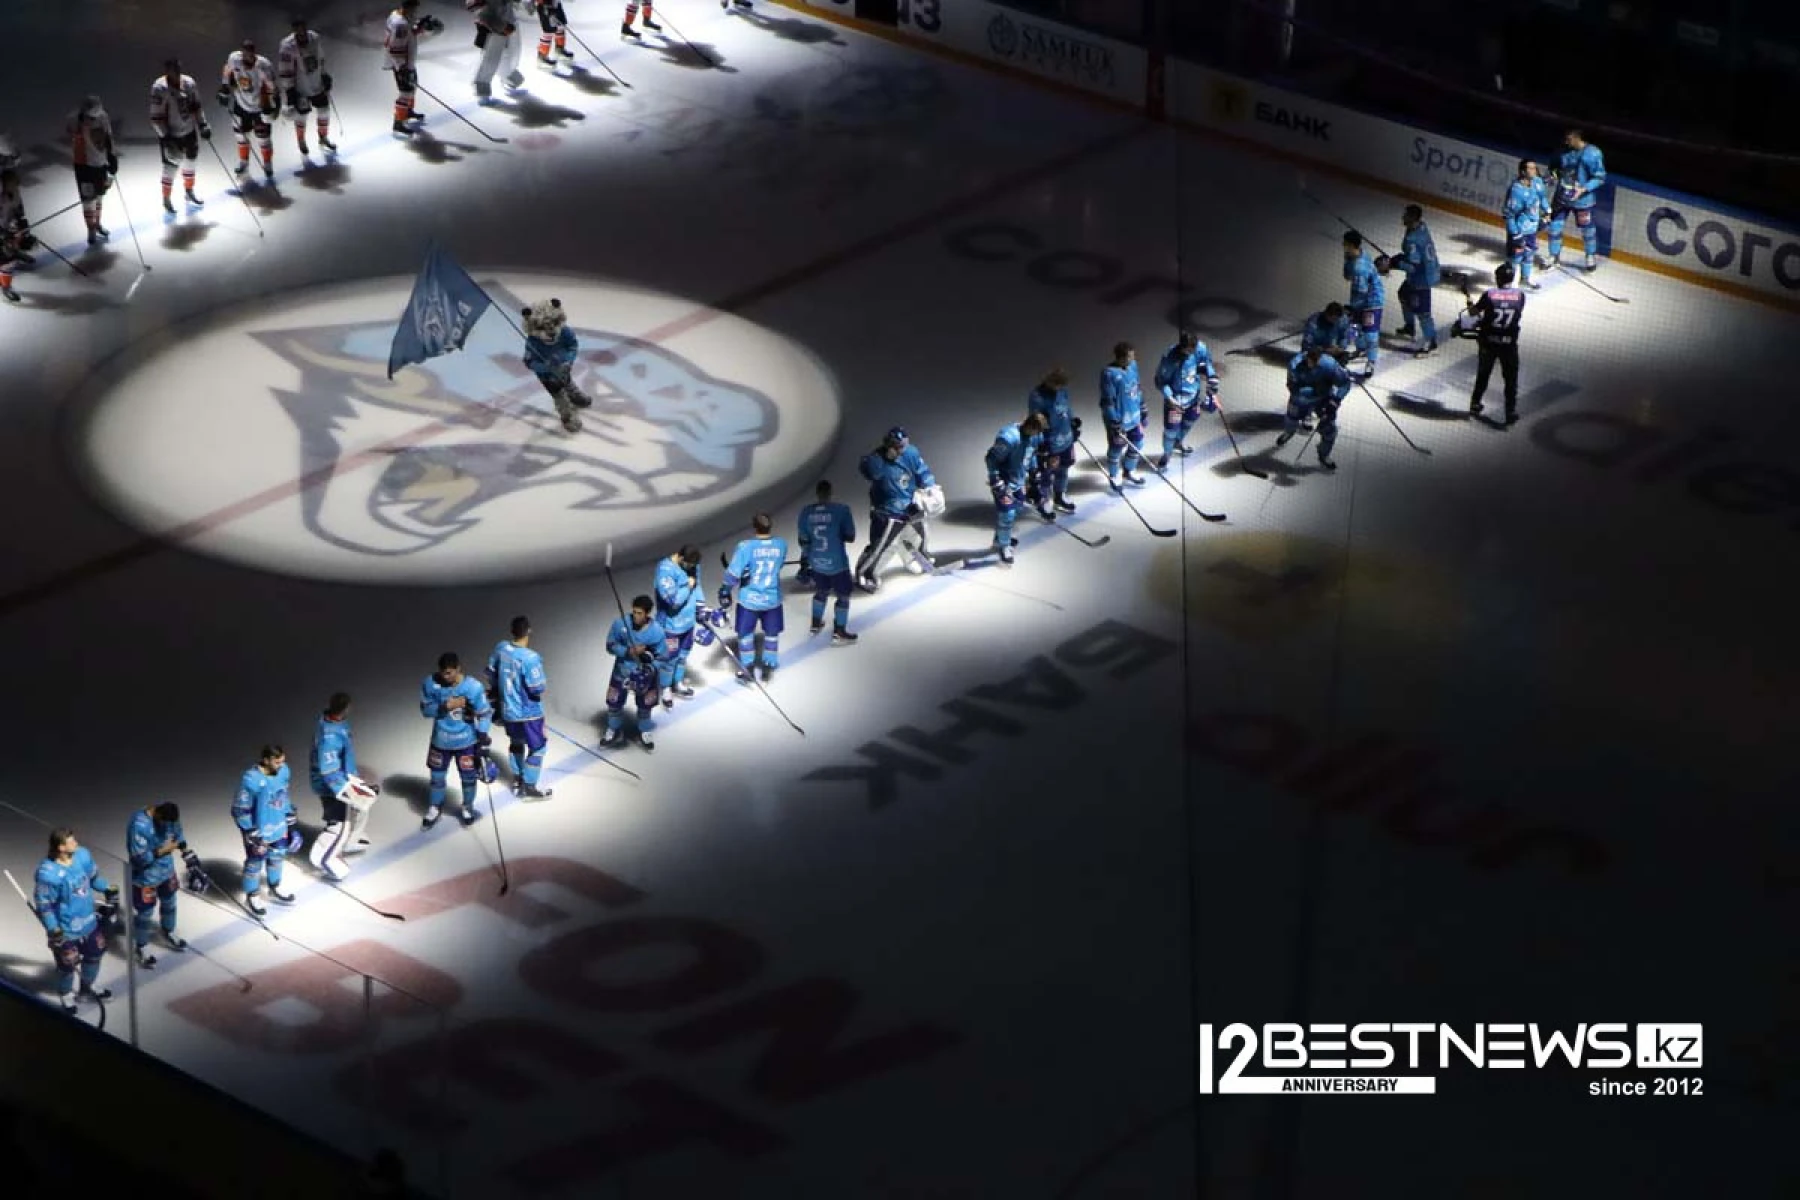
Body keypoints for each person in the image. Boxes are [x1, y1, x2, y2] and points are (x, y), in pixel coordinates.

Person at [33, 829, 119, 1013]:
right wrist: (53, 928)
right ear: (61, 847)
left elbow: (94, 878)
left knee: (94, 956)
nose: (76, 843)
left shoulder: (82, 855)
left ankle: (87, 988)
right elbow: (45, 905)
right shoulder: (48, 873)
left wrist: (107, 888)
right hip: (66, 931)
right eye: (71, 841)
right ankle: (66, 993)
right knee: (67, 966)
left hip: (89, 923)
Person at [854, 427, 939, 591]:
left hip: (911, 506)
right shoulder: (876, 462)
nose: (902, 450)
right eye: (898, 447)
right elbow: (867, 469)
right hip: (887, 512)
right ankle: (866, 573)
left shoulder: (911, 453)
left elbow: (922, 471)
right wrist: (879, 459)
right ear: (889, 446)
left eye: (904, 446)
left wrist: (931, 488)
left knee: (919, 535)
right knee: (883, 546)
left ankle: (915, 558)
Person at [419, 652, 495, 827]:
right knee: (437, 777)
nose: (445, 677)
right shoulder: (430, 683)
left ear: (458, 668)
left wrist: (482, 736)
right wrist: (445, 706)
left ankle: (467, 807)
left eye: (449, 673)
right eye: (443, 673)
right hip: (441, 741)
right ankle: (435, 807)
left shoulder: (473, 687)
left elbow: (485, 713)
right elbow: (425, 711)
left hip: (466, 742)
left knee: (468, 778)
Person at [309, 692, 379, 880]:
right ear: (346, 708)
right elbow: (329, 772)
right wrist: (350, 792)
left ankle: (349, 842)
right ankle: (326, 859)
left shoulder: (336, 723)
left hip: (345, 776)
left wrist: (356, 783)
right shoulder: (329, 738)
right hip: (332, 786)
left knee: (362, 809)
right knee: (340, 824)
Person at [487, 617, 553, 798]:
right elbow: (537, 687)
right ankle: (529, 785)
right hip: (529, 714)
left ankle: (517, 779)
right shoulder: (530, 658)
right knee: (538, 748)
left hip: (508, 711)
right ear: (529, 631)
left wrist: (498, 691)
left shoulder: (501, 648)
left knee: (516, 743)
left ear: (512, 631)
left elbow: (490, 672)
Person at [721, 513, 789, 682]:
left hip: (749, 600)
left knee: (745, 634)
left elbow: (732, 575)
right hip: (772, 599)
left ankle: (747, 668)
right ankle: (769, 665)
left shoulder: (745, 546)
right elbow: (779, 565)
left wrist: (725, 590)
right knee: (772, 633)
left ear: (754, 527)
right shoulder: (781, 544)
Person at [1457, 261, 1527, 425]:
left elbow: (1474, 312)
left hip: (1489, 342)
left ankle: (1475, 403)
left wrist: (1469, 300)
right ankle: (1510, 410)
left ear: (1498, 278)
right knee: (1511, 379)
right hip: (1509, 344)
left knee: (1483, 374)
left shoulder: (1489, 294)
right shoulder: (1520, 295)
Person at [234, 745, 298, 915]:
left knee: (277, 857)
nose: (281, 765)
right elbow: (240, 808)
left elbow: (284, 796)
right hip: (259, 831)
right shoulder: (251, 779)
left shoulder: (284, 771)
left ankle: (275, 886)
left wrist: (290, 820)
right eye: (277, 762)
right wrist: (250, 830)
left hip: (279, 826)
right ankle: (252, 894)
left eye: (282, 761)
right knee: (255, 862)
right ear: (266, 760)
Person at [125, 802, 188, 967]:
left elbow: (178, 835)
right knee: (145, 913)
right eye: (164, 823)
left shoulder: (170, 818)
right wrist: (164, 850)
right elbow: (139, 858)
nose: (167, 826)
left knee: (170, 902)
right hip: (145, 878)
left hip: (167, 871)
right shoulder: (139, 825)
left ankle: (169, 930)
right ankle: (141, 946)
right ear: (158, 815)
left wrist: (186, 852)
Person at [796, 480, 858, 643]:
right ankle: (839, 631)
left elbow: (803, 540)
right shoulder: (842, 510)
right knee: (843, 596)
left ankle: (815, 624)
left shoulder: (806, 512)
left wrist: (807, 560)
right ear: (830, 492)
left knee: (821, 591)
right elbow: (850, 536)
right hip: (837, 563)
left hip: (816, 562)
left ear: (817, 493)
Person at [603, 596, 667, 750]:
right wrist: (627, 651)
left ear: (647, 614)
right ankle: (613, 728)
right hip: (622, 671)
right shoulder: (620, 624)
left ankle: (645, 730)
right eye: (634, 612)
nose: (635, 616)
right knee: (614, 703)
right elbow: (610, 645)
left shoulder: (657, 632)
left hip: (645, 675)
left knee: (645, 705)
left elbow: (663, 656)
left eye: (639, 613)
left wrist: (651, 668)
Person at [985, 411, 1049, 565]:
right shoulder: (1008, 438)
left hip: (1018, 480)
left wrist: (1034, 472)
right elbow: (991, 458)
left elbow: (1031, 454)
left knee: (1016, 510)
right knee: (1007, 515)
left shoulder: (1035, 437)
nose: (1038, 435)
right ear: (1031, 427)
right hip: (1005, 482)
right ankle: (1004, 546)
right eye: (1037, 431)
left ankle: (1000, 537)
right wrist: (995, 480)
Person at [1276, 345, 1353, 471]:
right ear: (1306, 357)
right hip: (1300, 399)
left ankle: (1324, 454)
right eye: (1310, 360)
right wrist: (1312, 391)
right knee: (1291, 419)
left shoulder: (1329, 364)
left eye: (1316, 360)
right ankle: (1289, 432)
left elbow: (1345, 384)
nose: (1313, 364)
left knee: (1330, 430)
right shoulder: (1294, 365)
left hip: (1323, 400)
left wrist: (1335, 401)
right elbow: (1293, 387)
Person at [521, 298, 592, 434]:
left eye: (554, 324)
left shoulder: (565, 332)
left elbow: (573, 346)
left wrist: (568, 361)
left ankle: (575, 396)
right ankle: (567, 417)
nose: (551, 331)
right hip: (547, 377)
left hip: (563, 367)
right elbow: (529, 362)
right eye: (542, 328)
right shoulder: (533, 342)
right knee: (559, 396)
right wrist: (545, 367)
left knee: (569, 383)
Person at [149, 59, 210, 214]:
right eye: (173, 71)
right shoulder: (159, 88)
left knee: (191, 161)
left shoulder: (189, 83)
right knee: (170, 167)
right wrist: (166, 137)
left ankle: (189, 191)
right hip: (171, 135)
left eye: (177, 70)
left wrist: (202, 124)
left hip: (189, 130)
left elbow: (197, 105)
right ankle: (166, 198)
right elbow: (155, 117)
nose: (176, 74)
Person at [1153, 330, 1219, 469]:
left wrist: (1212, 380)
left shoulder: (1200, 348)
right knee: (1171, 430)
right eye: (1187, 350)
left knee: (1189, 422)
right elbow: (1160, 381)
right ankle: (1167, 454)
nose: (1190, 353)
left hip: (1193, 397)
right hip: (1176, 402)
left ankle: (1178, 442)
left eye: (1192, 350)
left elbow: (1206, 364)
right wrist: (1170, 398)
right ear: (1181, 347)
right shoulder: (1170, 358)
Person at [217, 40, 278, 184]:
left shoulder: (264, 66)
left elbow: (273, 88)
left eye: (250, 54)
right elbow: (227, 70)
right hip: (241, 104)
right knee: (241, 135)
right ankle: (244, 162)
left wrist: (274, 106)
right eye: (245, 54)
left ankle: (268, 163)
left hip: (259, 106)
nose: (247, 57)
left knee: (263, 138)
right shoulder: (234, 58)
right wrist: (224, 87)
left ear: (254, 54)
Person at [1547, 128, 1607, 272]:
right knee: (1554, 227)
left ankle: (1590, 255)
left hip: (1582, 200)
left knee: (1587, 230)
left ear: (1577, 137)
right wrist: (1551, 177)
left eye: (1569, 139)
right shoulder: (1561, 152)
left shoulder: (1592, 153)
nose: (1566, 142)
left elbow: (1600, 177)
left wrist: (1584, 188)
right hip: (1561, 198)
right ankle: (1553, 256)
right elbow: (1554, 170)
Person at [277, 17, 336, 161]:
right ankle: (301, 141)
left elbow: (320, 58)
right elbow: (285, 69)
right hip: (300, 87)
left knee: (324, 111)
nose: (301, 32)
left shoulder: (314, 38)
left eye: (302, 28)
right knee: (301, 116)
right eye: (297, 29)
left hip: (316, 83)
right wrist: (289, 90)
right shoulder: (287, 46)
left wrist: (324, 74)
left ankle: (323, 137)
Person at [653, 544, 704, 707]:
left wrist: (701, 607)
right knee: (669, 658)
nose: (692, 569)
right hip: (671, 625)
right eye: (689, 565)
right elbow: (673, 601)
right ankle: (666, 688)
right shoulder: (665, 570)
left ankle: (678, 682)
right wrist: (688, 586)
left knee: (683, 655)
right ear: (681, 558)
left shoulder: (692, 565)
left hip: (688, 623)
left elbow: (698, 586)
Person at [1026, 368, 1080, 517]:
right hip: (1051, 442)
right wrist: (1043, 442)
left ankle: (1060, 495)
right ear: (1048, 381)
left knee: (1063, 469)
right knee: (1046, 473)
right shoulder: (1037, 397)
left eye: (1061, 385)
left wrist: (1073, 422)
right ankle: (1043, 499)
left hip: (1066, 439)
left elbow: (1067, 409)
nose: (1058, 388)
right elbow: (1037, 421)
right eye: (1056, 384)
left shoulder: (1062, 391)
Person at [386, 1, 445, 136]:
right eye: (414, 8)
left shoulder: (398, 15)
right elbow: (394, 48)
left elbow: (408, 31)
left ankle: (407, 111)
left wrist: (418, 26)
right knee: (406, 92)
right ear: (408, 7)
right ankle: (398, 122)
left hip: (408, 62)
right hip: (403, 65)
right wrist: (402, 68)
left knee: (412, 88)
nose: (416, 11)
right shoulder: (400, 24)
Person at [67, 95, 117, 246]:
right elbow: (71, 131)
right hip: (84, 166)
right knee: (88, 200)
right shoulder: (75, 119)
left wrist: (112, 157)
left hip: (100, 164)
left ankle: (97, 223)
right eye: (91, 117)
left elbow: (108, 137)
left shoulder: (103, 116)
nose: (93, 119)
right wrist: (81, 122)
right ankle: (90, 229)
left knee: (100, 196)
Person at [1392, 204, 1441, 355]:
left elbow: (1414, 267)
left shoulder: (1413, 240)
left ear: (1413, 218)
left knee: (1423, 312)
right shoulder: (1421, 227)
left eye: (1406, 215)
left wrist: (1396, 264)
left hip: (1422, 278)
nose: (1403, 217)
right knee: (1403, 294)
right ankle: (1409, 327)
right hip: (1427, 271)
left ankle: (1431, 341)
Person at [1099, 341, 1147, 489]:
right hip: (1120, 421)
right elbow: (1107, 401)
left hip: (1134, 417)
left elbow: (1137, 388)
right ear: (1121, 357)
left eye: (1133, 356)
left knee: (1137, 443)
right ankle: (1114, 475)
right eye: (1130, 357)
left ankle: (1129, 470)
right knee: (1116, 448)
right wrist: (1114, 421)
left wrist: (1143, 408)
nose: (1133, 359)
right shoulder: (1109, 374)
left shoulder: (1133, 366)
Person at [1341, 231, 1384, 376]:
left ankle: (1371, 362)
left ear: (1351, 245)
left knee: (1370, 333)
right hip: (1361, 299)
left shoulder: (1360, 267)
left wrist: (1353, 309)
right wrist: (1347, 261)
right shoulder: (1361, 254)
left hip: (1372, 302)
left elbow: (1361, 292)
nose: (1343, 245)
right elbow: (1347, 276)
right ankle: (1361, 349)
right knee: (1357, 327)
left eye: (1345, 243)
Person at [1501, 159, 1547, 291]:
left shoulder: (1537, 182)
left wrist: (1548, 212)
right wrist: (1514, 233)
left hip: (1532, 229)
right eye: (1530, 168)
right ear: (1522, 171)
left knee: (1529, 254)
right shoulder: (1516, 190)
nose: (1534, 171)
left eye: (1535, 168)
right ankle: (1508, 282)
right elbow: (1509, 214)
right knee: (1515, 257)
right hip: (1519, 229)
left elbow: (1542, 198)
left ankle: (1525, 279)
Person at [470, 0, 526, 102]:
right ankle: (482, 86)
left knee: (512, 50)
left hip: (508, 18)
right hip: (493, 22)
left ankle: (508, 75)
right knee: (491, 55)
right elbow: (477, 7)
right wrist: (498, 24)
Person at [0, 169, 34, 304]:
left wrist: (24, 229)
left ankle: (16, 251)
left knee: (18, 238)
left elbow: (19, 212)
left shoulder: (15, 194)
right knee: (6, 260)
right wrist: (3, 234)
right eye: (11, 183)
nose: (15, 185)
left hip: (7, 227)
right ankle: (6, 287)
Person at [534, 0, 575, 65]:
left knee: (561, 25)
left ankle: (559, 49)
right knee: (548, 30)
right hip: (545, 5)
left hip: (555, 3)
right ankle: (542, 56)